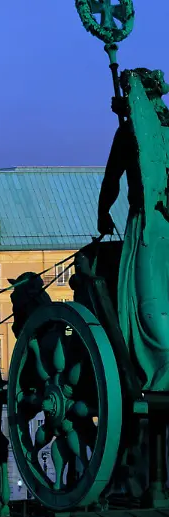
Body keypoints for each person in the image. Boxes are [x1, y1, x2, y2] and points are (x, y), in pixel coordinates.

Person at [98, 67, 169, 392]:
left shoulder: (129, 135)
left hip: (147, 226)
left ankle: (158, 364)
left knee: (144, 297)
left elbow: (111, 179)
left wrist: (103, 215)